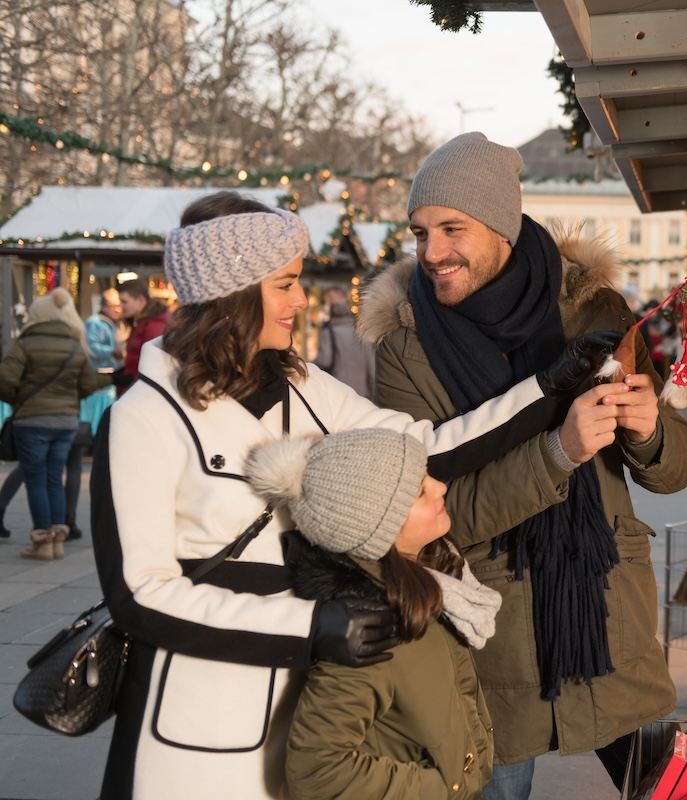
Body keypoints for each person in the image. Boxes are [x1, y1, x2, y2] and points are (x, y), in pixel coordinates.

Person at [89, 189, 617, 800]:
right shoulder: (142, 417)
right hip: (201, 725)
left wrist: (549, 387)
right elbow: (141, 596)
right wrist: (313, 624)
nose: (299, 299)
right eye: (284, 283)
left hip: (315, 714)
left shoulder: (302, 383)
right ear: (232, 294)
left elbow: (426, 447)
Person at [360, 131, 687, 799]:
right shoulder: (405, 348)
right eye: (419, 231)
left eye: (451, 229)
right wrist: (559, 452)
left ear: (502, 224)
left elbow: (674, 472)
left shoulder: (594, 310)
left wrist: (648, 426)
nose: (431, 253)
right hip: (492, 653)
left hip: (607, 624)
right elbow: (433, 515)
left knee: (663, 788)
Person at [245, 427, 499, 800]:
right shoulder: (371, 627)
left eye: (428, 475)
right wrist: (444, 787)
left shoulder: (433, 583)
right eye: (419, 491)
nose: (440, 487)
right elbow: (317, 773)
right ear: (378, 526)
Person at [0, 287, 104, 559]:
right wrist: (68, 399)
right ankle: (58, 540)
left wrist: (18, 400)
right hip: (66, 422)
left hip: (32, 420)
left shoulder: (25, 344)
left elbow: (5, 380)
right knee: (54, 478)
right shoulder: (73, 344)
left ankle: (43, 541)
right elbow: (88, 384)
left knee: (35, 480)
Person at [313, 286, 375, 397]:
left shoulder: (329, 333)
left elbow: (324, 361)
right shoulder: (361, 334)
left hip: (338, 392)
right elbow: (371, 368)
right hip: (361, 394)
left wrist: (309, 365)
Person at [114, 277, 169, 395]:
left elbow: (153, 367)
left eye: (124, 301)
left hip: (140, 394)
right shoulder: (141, 324)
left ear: (140, 300)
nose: (120, 306)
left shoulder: (152, 327)